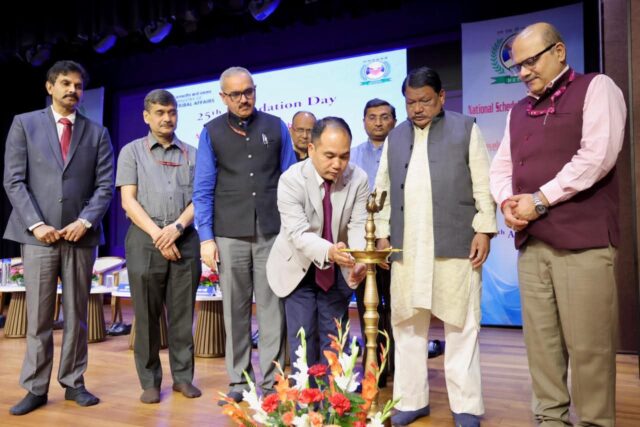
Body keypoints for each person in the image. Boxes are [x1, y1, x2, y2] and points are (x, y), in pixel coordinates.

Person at [490, 22, 626, 426]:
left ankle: (594, 423)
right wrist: (507, 201)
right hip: (532, 244)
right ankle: (550, 420)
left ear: (559, 51)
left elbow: (598, 156)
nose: (523, 72)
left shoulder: (597, 88)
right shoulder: (518, 110)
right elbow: (501, 167)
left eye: (531, 61)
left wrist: (539, 199)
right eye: (517, 66)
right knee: (542, 346)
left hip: (583, 244)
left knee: (589, 348)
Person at [374, 66, 496, 426]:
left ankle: (466, 406)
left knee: (462, 325)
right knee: (407, 325)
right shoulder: (395, 137)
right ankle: (411, 400)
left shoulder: (466, 129)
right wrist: (382, 233)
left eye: (425, 100)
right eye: (410, 102)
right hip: (407, 247)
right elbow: (382, 188)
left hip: (456, 241)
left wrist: (484, 230)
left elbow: (483, 184)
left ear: (441, 97)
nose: (417, 109)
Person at [3, 60, 114, 415]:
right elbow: (14, 181)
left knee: (77, 314)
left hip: (80, 237)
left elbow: (104, 186)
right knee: (38, 317)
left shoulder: (97, 133)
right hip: (38, 237)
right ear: (49, 87)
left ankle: (74, 382)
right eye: (65, 83)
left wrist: (85, 221)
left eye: (78, 85)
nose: (72, 90)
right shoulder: (24, 124)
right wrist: (36, 224)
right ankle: (35, 388)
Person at [193, 66, 297, 404]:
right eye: (235, 94)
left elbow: (290, 181)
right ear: (223, 97)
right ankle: (239, 382)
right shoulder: (211, 132)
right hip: (228, 234)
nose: (243, 99)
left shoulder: (276, 126)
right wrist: (206, 238)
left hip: (272, 232)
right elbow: (203, 188)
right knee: (234, 312)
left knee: (271, 310)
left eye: (248, 91)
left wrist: (292, 231)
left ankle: (272, 384)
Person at [116, 89, 201, 404]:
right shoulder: (131, 152)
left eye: (172, 112)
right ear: (146, 116)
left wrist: (176, 228)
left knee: (182, 314)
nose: (167, 118)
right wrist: (158, 235)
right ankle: (150, 381)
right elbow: (128, 201)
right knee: (147, 315)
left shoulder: (194, 153)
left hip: (184, 237)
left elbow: (200, 199)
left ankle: (183, 378)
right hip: (145, 238)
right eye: (160, 112)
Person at [266, 117, 368, 369]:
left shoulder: (358, 178)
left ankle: (335, 392)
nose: (338, 164)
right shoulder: (291, 179)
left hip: (337, 268)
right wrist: (330, 251)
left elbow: (358, 225)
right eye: (330, 156)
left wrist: (358, 259)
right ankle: (304, 393)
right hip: (298, 268)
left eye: (344, 156)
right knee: (303, 339)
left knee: (335, 339)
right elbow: (298, 233)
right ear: (311, 149)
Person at [350, 98, 397, 387]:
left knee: (397, 307)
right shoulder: (352, 156)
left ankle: (398, 369)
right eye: (372, 117)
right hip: (364, 245)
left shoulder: (404, 151)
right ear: (364, 121)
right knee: (369, 308)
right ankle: (373, 371)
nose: (378, 122)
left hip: (396, 242)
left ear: (394, 120)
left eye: (384, 116)